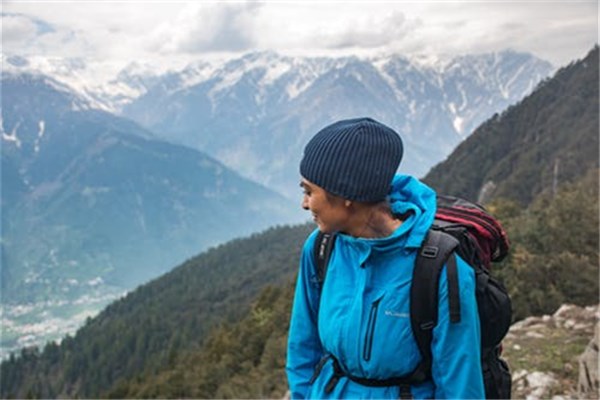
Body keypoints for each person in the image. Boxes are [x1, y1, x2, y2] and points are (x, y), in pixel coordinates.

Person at [286, 117, 484, 399]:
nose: (304, 203)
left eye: (309, 191)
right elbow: (303, 348)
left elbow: (460, 384)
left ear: (345, 194)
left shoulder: (439, 268)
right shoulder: (321, 248)